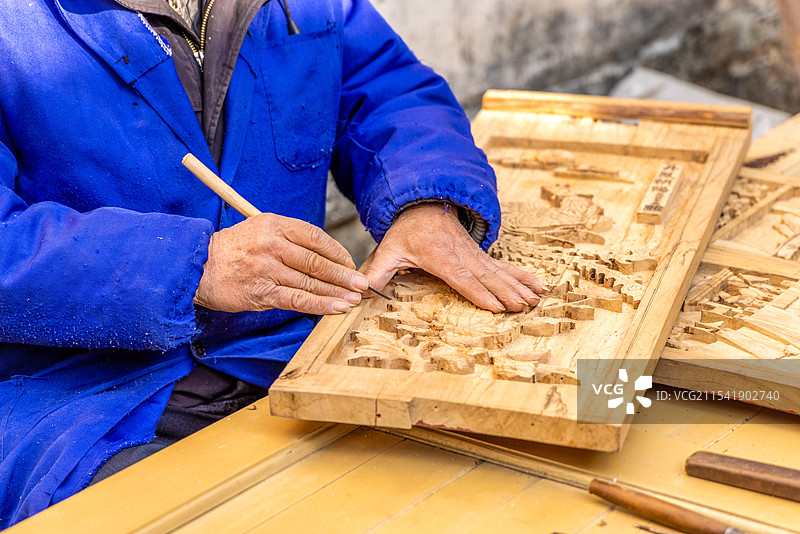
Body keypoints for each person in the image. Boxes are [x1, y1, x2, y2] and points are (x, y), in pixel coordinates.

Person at [0, 0, 544, 525]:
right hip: (87, 402)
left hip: (285, 355)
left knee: (506, 484)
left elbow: (389, 90)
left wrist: (427, 201)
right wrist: (190, 268)